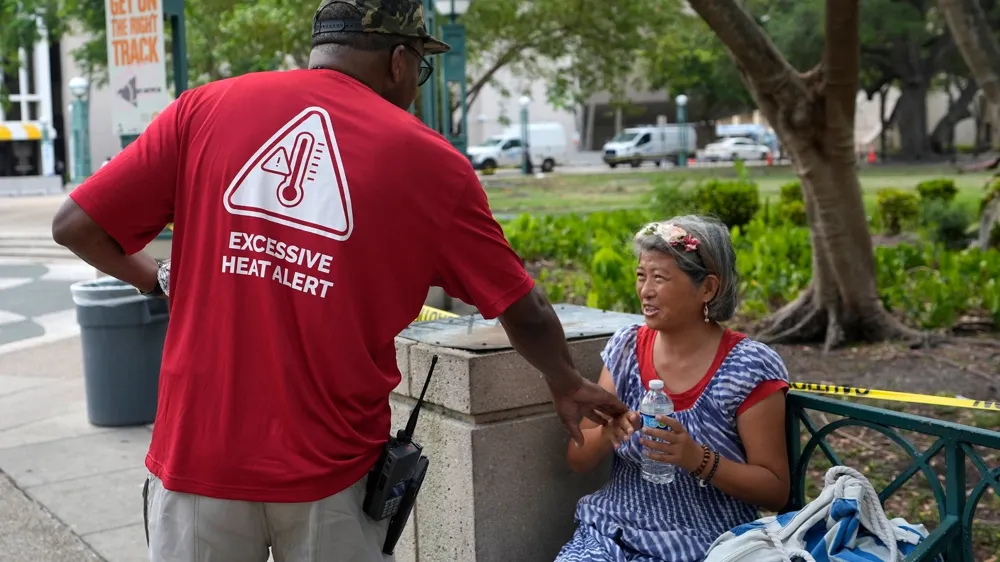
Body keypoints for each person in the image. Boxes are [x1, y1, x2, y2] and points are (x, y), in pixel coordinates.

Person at [50, 1, 626, 560]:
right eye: (419, 69)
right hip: (333, 472)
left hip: (198, 459)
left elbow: (76, 225)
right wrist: (563, 379)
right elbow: (522, 307)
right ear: (399, 61)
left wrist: (158, 280)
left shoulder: (204, 109)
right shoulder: (430, 164)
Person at [555, 216, 791, 562]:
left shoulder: (748, 368)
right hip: (609, 535)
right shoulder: (626, 350)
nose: (645, 291)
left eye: (660, 278)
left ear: (708, 289)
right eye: (641, 275)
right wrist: (609, 433)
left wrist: (697, 459)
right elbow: (577, 458)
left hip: (705, 544)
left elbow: (775, 492)